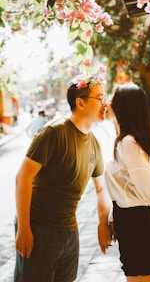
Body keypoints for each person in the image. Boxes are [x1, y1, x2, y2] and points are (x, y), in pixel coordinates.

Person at [14, 73, 113, 282]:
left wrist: (102, 222)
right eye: (100, 98)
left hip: (69, 231)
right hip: (39, 229)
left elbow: (101, 189)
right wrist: (24, 229)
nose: (105, 103)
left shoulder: (94, 142)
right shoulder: (54, 132)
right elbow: (22, 177)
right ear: (80, 103)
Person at [104, 82, 150, 282]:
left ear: (123, 107)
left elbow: (149, 182)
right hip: (133, 222)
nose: (106, 102)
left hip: (137, 224)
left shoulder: (128, 143)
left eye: (111, 99)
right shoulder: (123, 140)